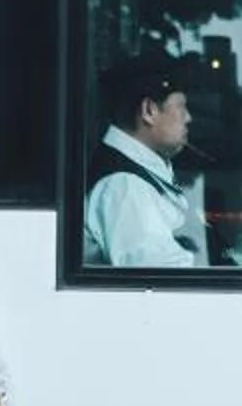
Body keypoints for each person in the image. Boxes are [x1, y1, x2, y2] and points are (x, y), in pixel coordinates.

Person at [85, 53, 205, 269]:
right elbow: (164, 276)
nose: (188, 118)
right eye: (180, 106)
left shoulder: (138, 172)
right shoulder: (124, 186)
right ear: (149, 110)